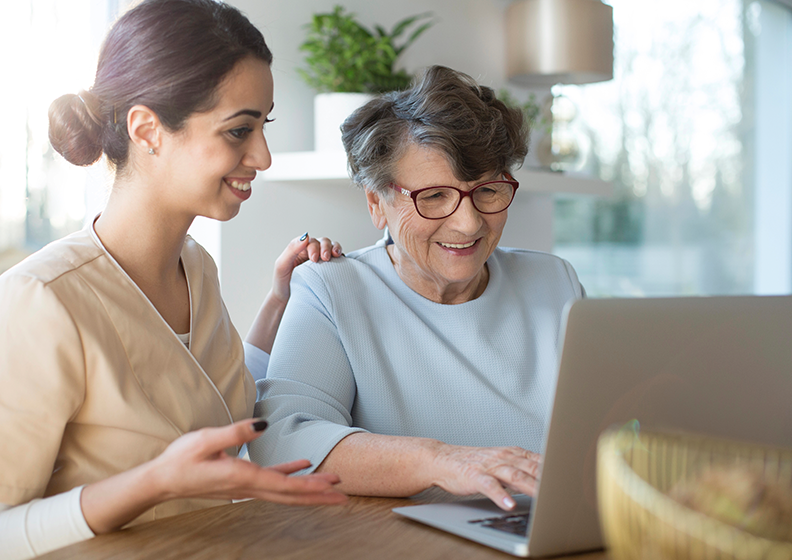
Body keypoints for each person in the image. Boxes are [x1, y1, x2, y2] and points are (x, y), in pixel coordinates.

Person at [0, 1, 346, 558]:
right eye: (239, 130)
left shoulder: (195, 268)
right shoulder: (35, 304)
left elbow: (215, 400)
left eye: (264, 126)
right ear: (147, 129)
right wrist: (155, 483)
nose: (262, 156)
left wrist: (280, 299)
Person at [249, 65, 585, 512]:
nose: (468, 224)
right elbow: (284, 441)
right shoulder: (332, 289)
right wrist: (443, 461)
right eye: (433, 197)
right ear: (376, 202)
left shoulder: (554, 281)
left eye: (487, 190)